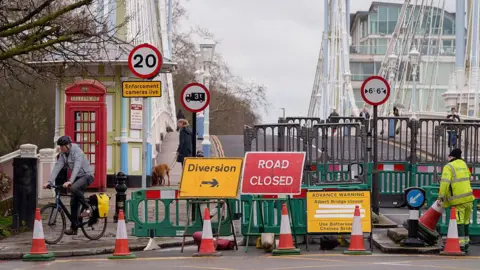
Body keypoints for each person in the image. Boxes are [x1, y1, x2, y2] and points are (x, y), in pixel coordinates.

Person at [43, 135, 94, 235]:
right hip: (77, 177)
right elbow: (57, 167)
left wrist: (70, 180)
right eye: (60, 146)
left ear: (68, 145)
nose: (60, 148)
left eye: (62, 146)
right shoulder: (63, 154)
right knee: (73, 203)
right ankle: (74, 228)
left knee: (74, 188)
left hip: (86, 176)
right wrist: (50, 182)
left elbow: (77, 166)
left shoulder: (77, 151)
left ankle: (88, 207)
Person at [437, 148, 475, 253]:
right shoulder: (463, 164)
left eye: (448, 157)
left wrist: (440, 197)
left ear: (451, 157)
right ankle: (466, 244)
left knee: (459, 222)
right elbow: (469, 177)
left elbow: (444, 183)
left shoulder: (448, 167)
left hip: (459, 200)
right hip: (469, 198)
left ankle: (460, 245)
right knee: (466, 221)